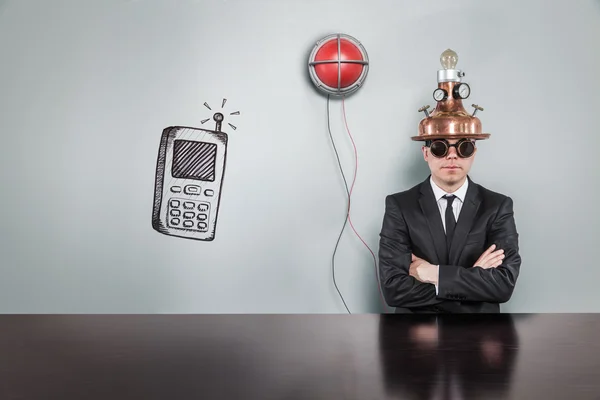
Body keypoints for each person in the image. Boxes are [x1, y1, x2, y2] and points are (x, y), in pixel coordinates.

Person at [377, 136, 522, 313]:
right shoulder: (399, 205)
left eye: (464, 147)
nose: (452, 155)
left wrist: (433, 274)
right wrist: (473, 278)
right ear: (426, 153)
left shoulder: (498, 206)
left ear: (474, 153)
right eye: (440, 147)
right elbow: (393, 290)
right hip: (416, 333)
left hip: (480, 333)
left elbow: (503, 285)